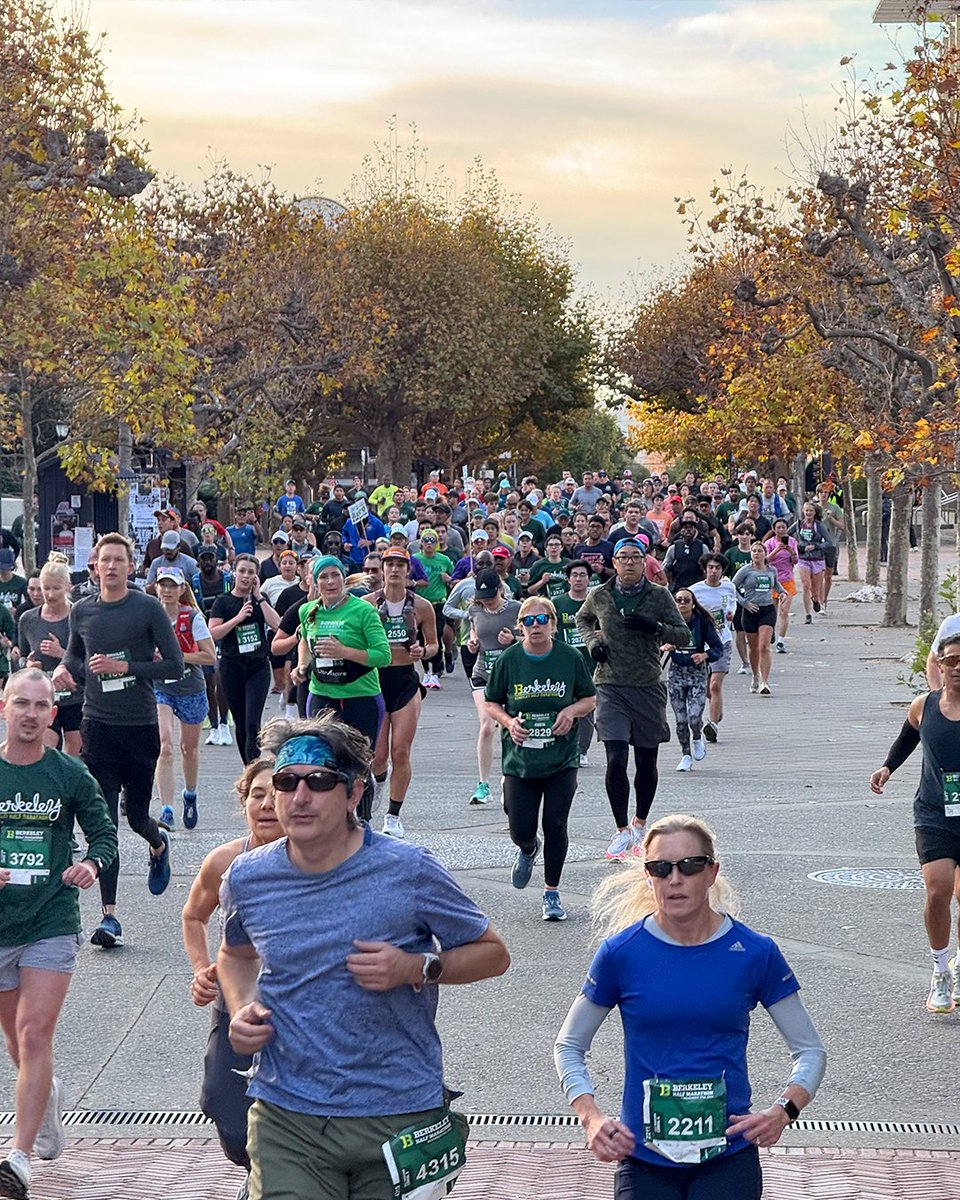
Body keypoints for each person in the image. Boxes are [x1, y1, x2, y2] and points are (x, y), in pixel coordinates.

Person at [216, 714, 510, 1200]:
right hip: (288, 1112)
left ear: (354, 792)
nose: (299, 797)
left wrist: (417, 967)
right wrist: (243, 1004)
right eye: (287, 782)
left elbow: (493, 954)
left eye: (319, 781)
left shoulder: (408, 869)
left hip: (397, 1113)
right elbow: (235, 954)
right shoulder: (248, 876)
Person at [554, 813, 826, 1200]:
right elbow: (569, 1045)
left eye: (690, 866)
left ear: (712, 872)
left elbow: (810, 1050)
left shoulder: (754, 952)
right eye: (661, 868)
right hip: (644, 1159)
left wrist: (785, 1110)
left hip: (727, 1158)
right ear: (648, 876)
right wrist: (591, 1117)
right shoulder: (621, 953)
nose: (675, 879)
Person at [0, 670, 118, 1200]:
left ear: (53, 712)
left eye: (40, 705)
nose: (30, 714)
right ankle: (46, 1097)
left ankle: (18, 1158)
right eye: (20, 703)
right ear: (4, 707)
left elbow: (104, 834)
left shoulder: (69, 773)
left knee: (33, 1034)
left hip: (51, 919)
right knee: (16, 1041)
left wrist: (90, 865)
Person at [52, 533, 183, 950]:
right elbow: (74, 656)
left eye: (117, 560)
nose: (110, 567)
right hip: (98, 726)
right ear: (95, 567)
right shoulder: (82, 610)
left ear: (130, 567)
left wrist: (124, 667)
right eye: (103, 560)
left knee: (137, 818)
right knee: (104, 823)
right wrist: (64, 670)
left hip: (139, 727)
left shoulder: (147, 608)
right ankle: (109, 917)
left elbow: (175, 665)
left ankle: (158, 844)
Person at [182, 758, 282, 1194]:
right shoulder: (224, 860)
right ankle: (256, 1168)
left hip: (292, 1004)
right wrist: (201, 969)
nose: (267, 805)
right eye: (258, 795)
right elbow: (193, 915)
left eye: (276, 795)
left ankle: (272, 1179)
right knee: (222, 1103)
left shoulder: (315, 861)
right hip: (235, 1003)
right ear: (244, 802)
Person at [576, 538, 689, 861]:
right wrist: (593, 643)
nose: (628, 563)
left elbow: (683, 635)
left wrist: (655, 627)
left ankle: (640, 822)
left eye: (635, 557)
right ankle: (621, 829)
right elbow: (582, 619)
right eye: (623, 557)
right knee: (615, 757)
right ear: (614, 563)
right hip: (610, 684)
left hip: (647, 684)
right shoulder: (600, 595)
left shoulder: (659, 595)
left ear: (645, 563)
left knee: (646, 760)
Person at [484, 597, 596, 922]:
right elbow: (491, 702)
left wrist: (570, 711)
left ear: (553, 624)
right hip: (520, 758)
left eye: (542, 619)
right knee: (521, 828)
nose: (536, 626)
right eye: (529, 621)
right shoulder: (509, 659)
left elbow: (589, 698)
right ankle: (528, 848)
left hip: (561, 757)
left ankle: (551, 892)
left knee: (556, 823)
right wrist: (509, 722)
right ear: (520, 626)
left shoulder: (570, 657)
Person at [870, 634, 960, 1012]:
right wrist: (887, 767)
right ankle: (940, 970)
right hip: (934, 813)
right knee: (938, 891)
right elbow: (908, 737)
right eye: (951, 660)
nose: (957, 667)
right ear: (939, 665)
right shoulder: (925, 706)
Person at [290, 556, 391, 820]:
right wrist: (302, 666)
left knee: (357, 765)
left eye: (335, 575)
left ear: (343, 579)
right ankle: (330, 821)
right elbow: (305, 641)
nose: (330, 581)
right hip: (322, 694)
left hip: (361, 697)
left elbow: (383, 656)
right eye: (323, 577)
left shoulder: (363, 610)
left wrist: (344, 651)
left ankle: (363, 823)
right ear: (314, 582)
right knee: (323, 760)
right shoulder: (308, 610)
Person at [362, 548, 439, 838]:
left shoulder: (421, 606)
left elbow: (434, 645)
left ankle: (393, 815)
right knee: (377, 755)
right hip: (375, 680)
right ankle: (378, 783)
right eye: (390, 564)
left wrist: (424, 651)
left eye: (400, 565)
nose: (394, 570)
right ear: (382, 569)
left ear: (408, 570)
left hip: (406, 680)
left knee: (401, 750)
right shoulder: (368, 604)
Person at [153, 567, 217, 831]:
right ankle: (166, 809)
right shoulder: (150, 614)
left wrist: (177, 658)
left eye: (172, 585)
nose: (167, 590)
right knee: (165, 745)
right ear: (156, 587)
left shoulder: (192, 617)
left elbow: (209, 656)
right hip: (160, 687)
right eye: (163, 585)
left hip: (190, 687)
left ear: (181, 589)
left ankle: (190, 794)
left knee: (188, 749)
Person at [209, 556, 283, 765]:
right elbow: (212, 633)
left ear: (256, 576)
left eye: (251, 572)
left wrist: (258, 596)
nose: (246, 576)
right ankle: (248, 768)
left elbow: (277, 624)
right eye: (242, 571)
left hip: (258, 666)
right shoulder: (223, 601)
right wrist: (238, 618)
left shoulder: (260, 599)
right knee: (241, 722)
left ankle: (255, 767)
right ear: (234, 572)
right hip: (232, 666)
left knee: (252, 722)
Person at [465, 569, 521, 806]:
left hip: (510, 676)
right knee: (487, 726)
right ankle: (483, 784)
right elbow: (474, 631)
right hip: (482, 674)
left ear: (500, 589)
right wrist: (472, 643)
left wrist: (514, 641)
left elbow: (533, 639)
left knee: (509, 726)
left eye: (491, 596)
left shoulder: (516, 608)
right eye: (483, 598)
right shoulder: (474, 610)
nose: (487, 601)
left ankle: (510, 777)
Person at [18, 559, 82, 756]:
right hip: (44, 698)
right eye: (46, 588)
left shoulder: (79, 616)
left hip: (77, 696)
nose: (51, 594)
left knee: (75, 755)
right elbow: (21, 657)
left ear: (68, 587)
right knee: (45, 751)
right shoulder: (28, 619)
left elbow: (92, 660)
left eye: (56, 588)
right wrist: (28, 666)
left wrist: (62, 653)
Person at [663, 589, 723, 772]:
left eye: (686, 600)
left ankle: (697, 736)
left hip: (697, 674)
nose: (682, 603)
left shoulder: (701, 622)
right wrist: (665, 646)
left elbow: (717, 647)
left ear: (693, 603)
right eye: (679, 600)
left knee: (694, 717)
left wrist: (705, 655)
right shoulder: (669, 622)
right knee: (681, 720)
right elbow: (654, 643)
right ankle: (686, 755)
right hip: (676, 673)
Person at [690, 556, 737, 742]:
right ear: (705, 569)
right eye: (710, 567)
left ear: (722, 570)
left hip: (722, 641)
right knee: (707, 689)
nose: (714, 571)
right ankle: (717, 709)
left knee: (715, 685)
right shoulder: (695, 590)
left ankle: (712, 725)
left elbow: (732, 602)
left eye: (717, 568)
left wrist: (731, 613)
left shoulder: (728, 587)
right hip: (701, 644)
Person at [554, 560, 596, 766]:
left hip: (591, 664)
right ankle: (564, 747)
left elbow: (608, 628)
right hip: (564, 664)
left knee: (586, 709)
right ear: (568, 579)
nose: (578, 579)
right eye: (575, 575)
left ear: (589, 579)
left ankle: (582, 750)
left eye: (582, 575)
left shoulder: (596, 602)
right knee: (564, 706)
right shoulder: (557, 602)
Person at [732, 542, 786, 696]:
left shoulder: (771, 570)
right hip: (750, 611)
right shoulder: (745, 570)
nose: (756, 553)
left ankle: (764, 681)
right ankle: (755, 675)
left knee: (764, 646)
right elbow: (732, 587)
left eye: (759, 551)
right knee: (754, 647)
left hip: (767, 610)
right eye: (754, 551)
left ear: (765, 553)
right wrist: (744, 603)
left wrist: (782, 593)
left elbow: (776, 584)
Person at [413, 529, 453, 689]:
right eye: (426, 540)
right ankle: (426, 672)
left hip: (438, 603)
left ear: (437, 543)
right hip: (421, 604)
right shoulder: (415, 559)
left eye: (432, 540)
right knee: (421, 639)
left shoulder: (444, 560)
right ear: (421, 543)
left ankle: (435, 672)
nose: (429, 543)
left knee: (436, 637)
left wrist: (449, 579)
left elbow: (454, 577)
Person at [791, 502, 830, 624]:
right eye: (806, 510)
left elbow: (829, 542)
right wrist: (797, 547)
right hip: (803, 559)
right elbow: (787, 535)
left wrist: (816, 546)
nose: (808, 513)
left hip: (817, 559)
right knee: (806, 585)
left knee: (815, 590)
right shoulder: (798, 524)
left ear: (815, 513)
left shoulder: (819, 526)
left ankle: (816, 600)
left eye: (811, 511)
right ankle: (808, 614)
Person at [763, 518, 798, 653]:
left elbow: (795, 561)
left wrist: (790, 550)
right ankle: (770, 631)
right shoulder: (769, 543)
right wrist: (777, 550)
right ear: (774, 529)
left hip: (787, 580)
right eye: (778, 527)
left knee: (784, 611)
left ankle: (781, 641)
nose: (781, 530)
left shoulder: (792, 542)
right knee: (772, 611)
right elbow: (766, 560)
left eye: (783, 527)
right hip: (772, 579)